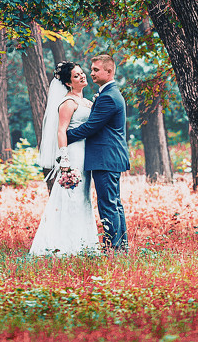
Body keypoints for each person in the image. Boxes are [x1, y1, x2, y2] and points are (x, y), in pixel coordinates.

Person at [30, 61, 100, 256]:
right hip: (74, 153)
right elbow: (61, 131)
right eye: (77, 76)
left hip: (87, 154)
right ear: (69, 83)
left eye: (82, 73)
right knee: (72, 197)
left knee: (83, 197)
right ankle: (67, 245)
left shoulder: (86, 102)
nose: (83, 76)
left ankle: (85, 243)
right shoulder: (68, 103)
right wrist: (65, 160)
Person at [66, 53, 130, 251]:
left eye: (95, 70)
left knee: (108, 204)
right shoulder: (108, 94)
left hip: (106, 157)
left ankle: (113, 250)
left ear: (108, 71)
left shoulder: (109, 98)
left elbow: (90, 128)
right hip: (107, 157)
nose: (91, 73)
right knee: (113, 203)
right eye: (91, 69)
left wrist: (63, 138)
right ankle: (120, 248)